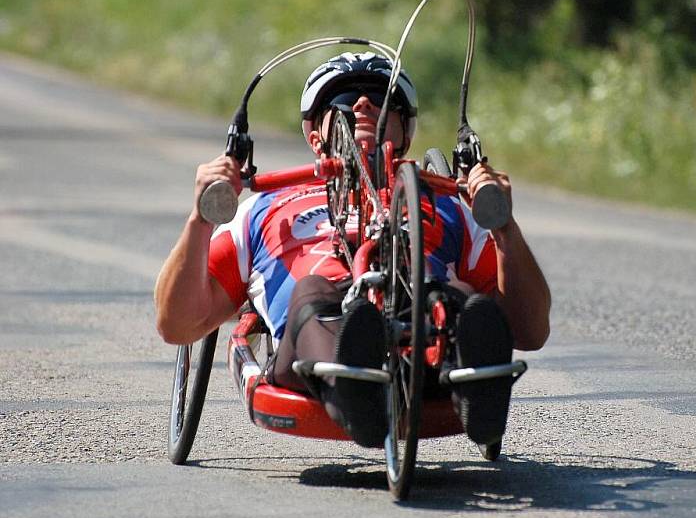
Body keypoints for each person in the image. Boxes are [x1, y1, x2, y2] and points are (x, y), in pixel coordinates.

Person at [154, 52, 550, 448]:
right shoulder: (264, 209)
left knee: (463, 300)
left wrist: (503, 227)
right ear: (315, 137)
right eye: (342, 101)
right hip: (316, 336)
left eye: (382, 99)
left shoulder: (446, 205)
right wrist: (200, 219)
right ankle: (355, 386)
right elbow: (178, 324)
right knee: (313, 292)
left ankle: (478, 391)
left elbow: (530, 330)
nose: (362, 103)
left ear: (405, 135)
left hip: (422, 333)